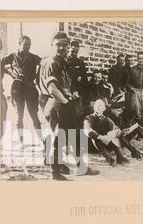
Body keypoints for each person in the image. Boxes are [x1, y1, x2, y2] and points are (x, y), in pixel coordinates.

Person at [39, 31, 98, 180]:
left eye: (64, 45)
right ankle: (55, 173)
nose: (61, 48)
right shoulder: (51, 62)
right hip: (58, 105)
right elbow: (52, 89)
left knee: (72, 136)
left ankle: (79, 166)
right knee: (59, 138)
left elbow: (64, 84)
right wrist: (66, 103)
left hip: (65, 103)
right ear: (51, 45)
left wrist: (72, 95)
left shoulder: (63, 61)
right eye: (58, 44)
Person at [1, 35, 42, 144]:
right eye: (25, 45)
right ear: (19, 44)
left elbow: (44, 64)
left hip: (30, 88)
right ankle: (22, 142)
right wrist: (9, 73)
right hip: (17, 88)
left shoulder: (33, 57)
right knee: (19, 114)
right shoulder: (12, 56)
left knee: (34, 114)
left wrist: (37, 76)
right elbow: (0, 63)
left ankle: (42, 140)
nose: (27, 47)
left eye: (29, 45)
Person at [83, 100, 129, 165]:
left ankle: (120, 157)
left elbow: (115, 127)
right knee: (96, 138)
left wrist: (113, 133)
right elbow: (87, 130)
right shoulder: (89, 118)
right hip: (91, 145)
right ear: (94, 108)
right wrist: (101, 137)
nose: (99, 108)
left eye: (101, 107)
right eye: (97, 107)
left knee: (114, 138)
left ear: (104, 109)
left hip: (105, 144)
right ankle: (109, 158)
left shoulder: (106, 119)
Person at [66, 40, 89, 118]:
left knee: (78, 113)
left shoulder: (80, 62)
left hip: (78, 94)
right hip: (67, 92)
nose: (74, 54)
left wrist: (81, 92)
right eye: (72, 51)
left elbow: (84, 80)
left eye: (76, 52)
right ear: (69, 49)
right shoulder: (65, 61)